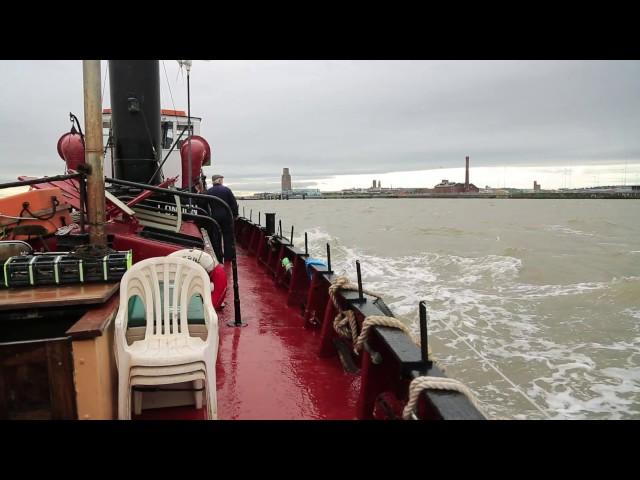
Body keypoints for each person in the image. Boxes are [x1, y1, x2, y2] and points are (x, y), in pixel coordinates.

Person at [205, 174, 238, 262]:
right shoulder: (226, 190)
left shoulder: (209, 191)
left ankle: (218, 257)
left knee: (216, 238)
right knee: (228, 237)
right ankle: (228, 257)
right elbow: (233, 204)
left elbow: (204, 203)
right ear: (219, 180)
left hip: (215, 217)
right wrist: (235, 215)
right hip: (226, 217)